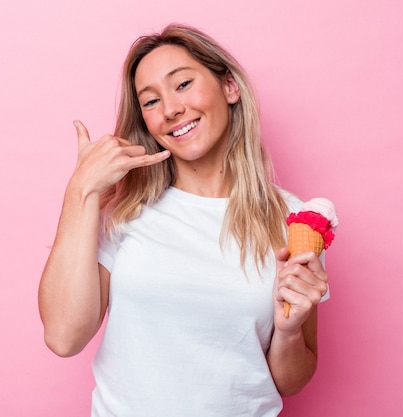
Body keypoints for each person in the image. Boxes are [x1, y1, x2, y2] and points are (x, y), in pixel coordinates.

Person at [38, 23, 330, 417]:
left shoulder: (293, 222)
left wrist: (290, 331)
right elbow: (62, 336)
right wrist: (81, 191)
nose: (171, 110)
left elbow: (290, 382)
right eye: (150, 101)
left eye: (182, 84)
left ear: (230, 87)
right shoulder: (124, 213)